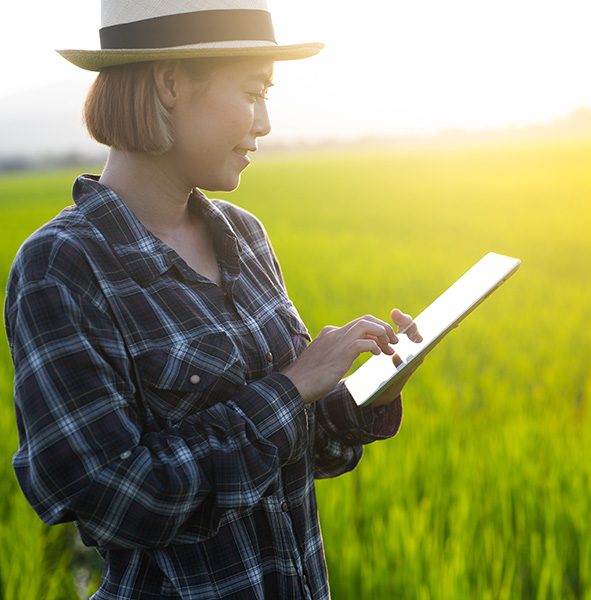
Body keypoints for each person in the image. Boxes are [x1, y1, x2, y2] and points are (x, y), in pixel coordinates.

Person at [4, 2, 423, 598]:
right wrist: (292, 386)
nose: (265, 123)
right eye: (253, 92)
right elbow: (113, 498)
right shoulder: (64, 267)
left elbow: (297, 452)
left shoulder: (243, 235)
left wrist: (369, 390)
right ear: (169, 83)